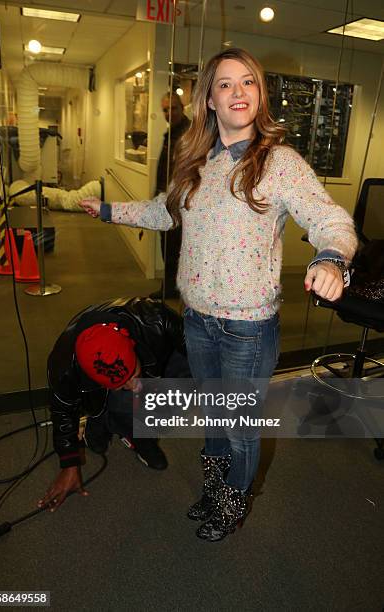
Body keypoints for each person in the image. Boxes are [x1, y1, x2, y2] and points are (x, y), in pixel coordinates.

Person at [79, 48, 358, 541]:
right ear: (208, 98)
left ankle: (232, 503)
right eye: (225, 84)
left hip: (247, 331)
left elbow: (329, 218)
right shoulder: (197, 164)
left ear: (260, 94)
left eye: (248, 82)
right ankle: (215, 490)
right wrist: (106, 210)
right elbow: (163, 213)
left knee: (239, 427)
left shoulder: (278, 163)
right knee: (215, 418)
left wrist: (331, 257)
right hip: (198, 321)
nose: (238, 92)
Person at [38, 297, 188, 513]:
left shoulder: (156, 319)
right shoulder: (63, 367)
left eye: (133, 373)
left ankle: (121, 418)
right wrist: (69, 464)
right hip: (100, 392)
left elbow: (202, 355)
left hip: (158, 352)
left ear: (131, 345)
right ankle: (106, 421)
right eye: (121, 384)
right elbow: (62, 412)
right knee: (127, 409)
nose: (134, 386)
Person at [151, 92, 190, 299]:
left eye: (173, 108)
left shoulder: (189, 133)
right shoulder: (171, 133)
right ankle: (170, 287)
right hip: (165, 199)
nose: (169, 113)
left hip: (179, 202)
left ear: (182, 107)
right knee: (168, 246)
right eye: (165, 109)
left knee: (176, 248)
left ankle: (176, 289)